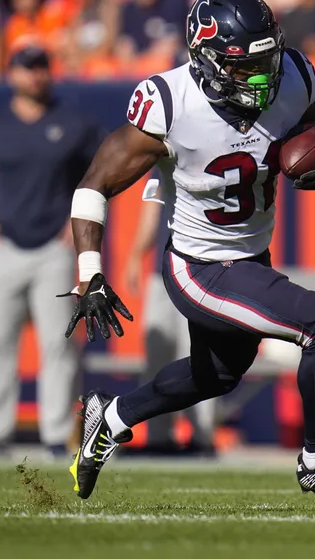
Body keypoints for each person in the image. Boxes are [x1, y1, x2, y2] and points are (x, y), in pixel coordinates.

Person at [62, 0, 315, 503]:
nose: (263, 77)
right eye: (247, 67)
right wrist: (90, 272)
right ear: (207, 59)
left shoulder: (291, 77)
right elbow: (93, 186)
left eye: (267, 61)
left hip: (250, 256)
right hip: (199, 267)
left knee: (216, 375)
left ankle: (110, 416)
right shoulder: (171, 104)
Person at [0, 45, 104, 459]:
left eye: (41, 67)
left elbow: (102, 173)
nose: (35, 75)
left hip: (53, 250)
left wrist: (78, 223)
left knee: (58, 344)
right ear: (11, 74)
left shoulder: (73, 123)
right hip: (4, 247)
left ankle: (56, 436)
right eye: (27, 68)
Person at [123, 173, 214, 455]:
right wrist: (136, 255)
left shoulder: (213, 154)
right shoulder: (167, 159)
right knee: (157, 354)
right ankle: (158, 437)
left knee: (200, 355)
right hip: (164, 271)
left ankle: (202, 437)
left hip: (203, 269)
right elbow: (152, 209)